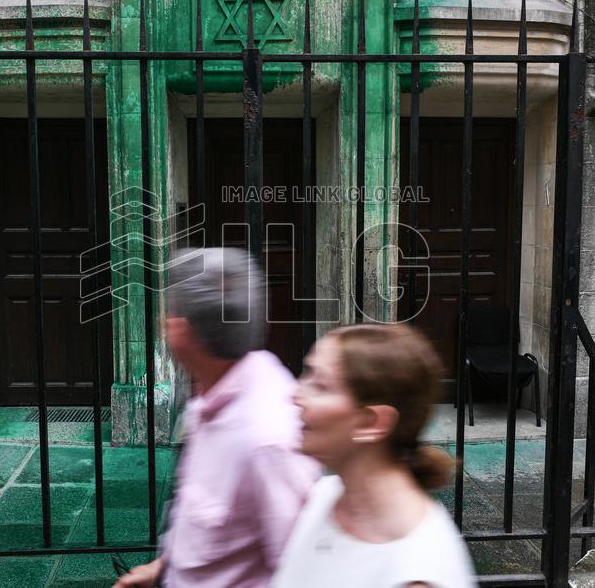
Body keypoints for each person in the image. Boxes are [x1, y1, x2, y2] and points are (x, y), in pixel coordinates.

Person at [114, 247, 320, 588]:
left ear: (179, 330)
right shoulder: (212, 396)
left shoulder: (265, 438)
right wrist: (164, 568)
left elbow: (299, 571)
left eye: (168, 310)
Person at [272, 323, 476, 588]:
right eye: (306, 373)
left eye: (319, 384)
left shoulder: (417, 570)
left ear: (370, 422)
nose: (295, 394)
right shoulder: (323, 496)